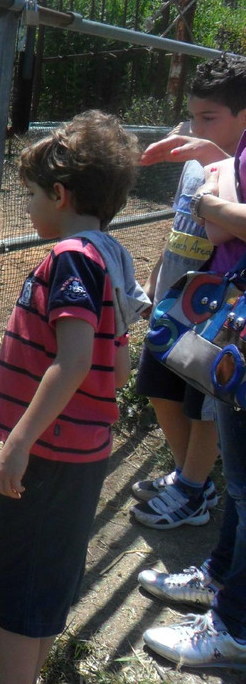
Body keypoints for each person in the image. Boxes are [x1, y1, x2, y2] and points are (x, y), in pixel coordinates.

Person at [0, 112, 144, 684]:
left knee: (16, 578)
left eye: (31, 195)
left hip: (50, 453)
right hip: (84, 450)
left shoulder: (70, 260)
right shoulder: (111, 256)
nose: (28, 206)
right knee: (47, 574)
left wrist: (18, 443)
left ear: (60, 195)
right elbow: (121, 361)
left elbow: (76, 359)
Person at [138, 129, 246, 671]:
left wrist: (206, 200)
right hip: (235, 319)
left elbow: (224, 218)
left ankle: (235, 631)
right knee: (244, 485)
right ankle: (224, 583)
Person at [129, 53, 246, 530]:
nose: (198, 127)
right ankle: (189, 479)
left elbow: (217, 229)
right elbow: (181, 226)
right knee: (157, 385)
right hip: (180, 299)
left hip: (219, 310)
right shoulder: (200, 158)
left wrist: (212, 182)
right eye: (194, 116)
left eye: (210, 118)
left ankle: (193, 489)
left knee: (204, 407)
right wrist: (159, 274)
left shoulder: (228, 166)